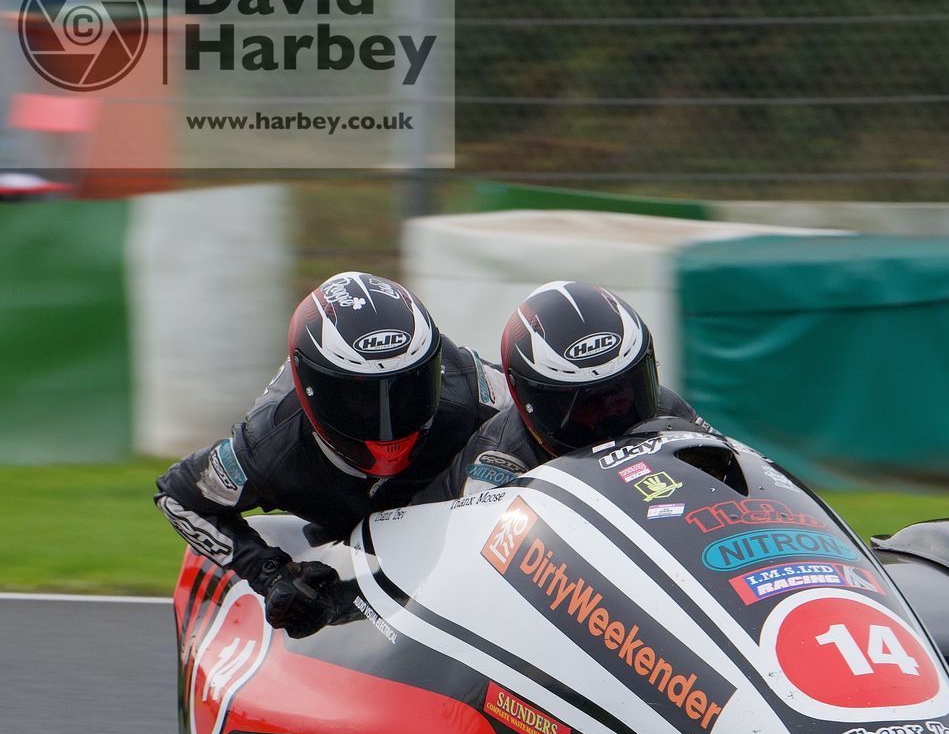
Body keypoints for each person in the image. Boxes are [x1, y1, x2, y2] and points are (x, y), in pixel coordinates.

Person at [155, 271, 506, 636]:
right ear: (313, 392)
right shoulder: (267, 444)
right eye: (360, 400)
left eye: (407, 392)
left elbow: (530, 414)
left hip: (452, 533)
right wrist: (271, 574)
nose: (387, 423)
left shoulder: (470, 387)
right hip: (343, 543)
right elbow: (176, 495)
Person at [414, 280, 708, 503]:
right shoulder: (500, 463)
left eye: (623, 391)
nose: (613, 414)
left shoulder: (667, 409)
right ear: (531, 401)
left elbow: (725, 467)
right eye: (587, 404)